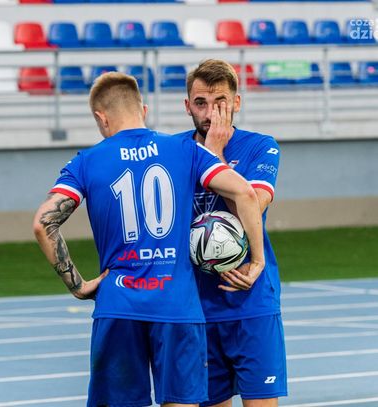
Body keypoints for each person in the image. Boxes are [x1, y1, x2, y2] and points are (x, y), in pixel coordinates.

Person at [33, 71, 266, 407]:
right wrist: (256, 259)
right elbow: (245, 193)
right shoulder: (185, 150)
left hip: (118, 305)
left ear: (101, 118)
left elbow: (43, 224)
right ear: (143, 110)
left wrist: (78, 285)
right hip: (177, 306)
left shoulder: (86, 161)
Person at [175, 59, 287, 407]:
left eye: (220, 102)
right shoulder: (173, 152)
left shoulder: (260, 146)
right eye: (201, 103)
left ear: (236, 102)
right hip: (196, 309)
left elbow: (250, 208)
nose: (211, 113)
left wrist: (214, 156)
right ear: (187, 106)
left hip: (251, 303)